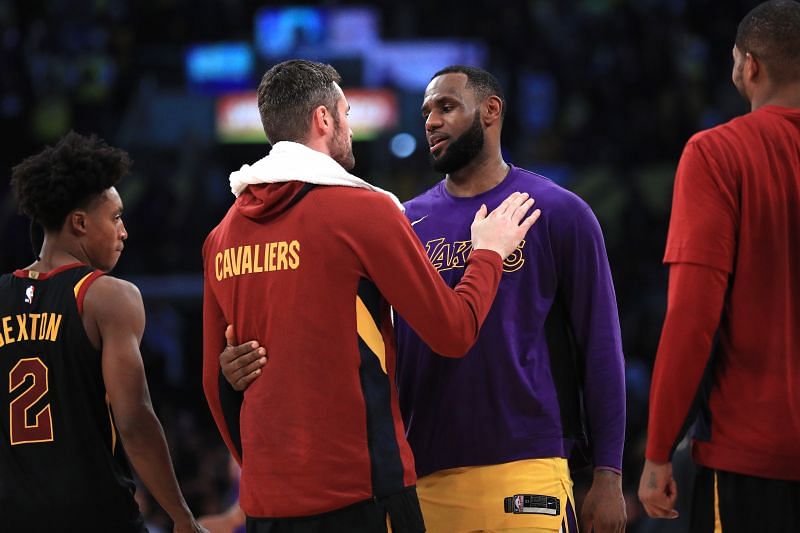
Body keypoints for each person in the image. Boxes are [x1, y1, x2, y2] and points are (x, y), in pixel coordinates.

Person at [220, 65, 628, 533]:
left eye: (447, 107)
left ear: (491, 111)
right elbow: (338, 334)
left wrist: (609, 473)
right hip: (420, 476)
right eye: (426, 111)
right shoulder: (401, 218)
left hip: (526, 464)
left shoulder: (558, 211)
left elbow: (601, 348)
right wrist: (239, 363)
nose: (431, 121)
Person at [637, 1, 800, 530]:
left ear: (749, 65)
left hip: (754, 453)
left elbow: (692, 317)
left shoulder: (717, 153)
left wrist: (658, 448)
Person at [0, 131, 205, 532]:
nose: (124, 231)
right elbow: (133, 420)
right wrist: (182, 516)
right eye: (115, 217)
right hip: (95, 514)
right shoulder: (106, 296)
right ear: (79, 223)